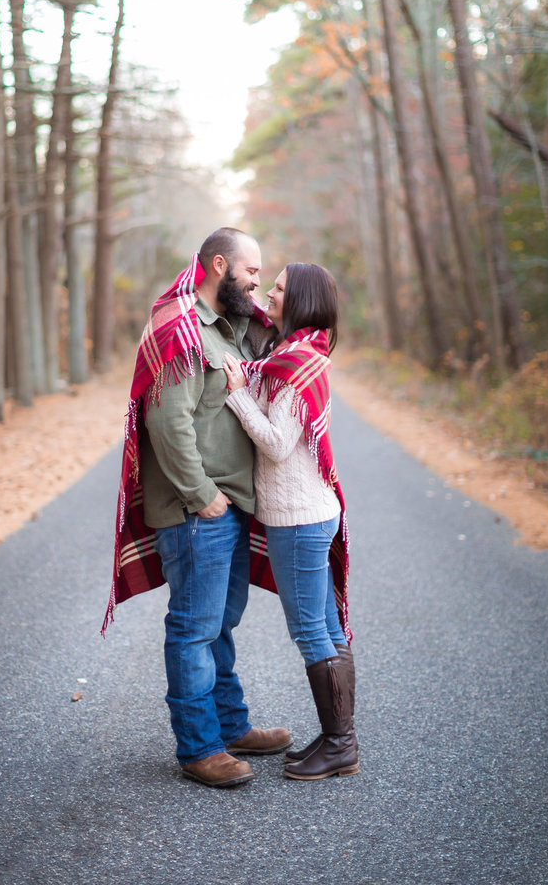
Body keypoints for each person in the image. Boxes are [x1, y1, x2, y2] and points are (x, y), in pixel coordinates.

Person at [102, 228, 291, 788]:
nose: (257, 282)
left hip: (230, 504)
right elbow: (167, 423)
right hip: (197, 510)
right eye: (251, 271)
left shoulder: (230, 330)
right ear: (218, 265)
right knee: (194, 627)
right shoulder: (182, 331)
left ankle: (231, 726)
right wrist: (201, 495)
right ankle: (198, 748)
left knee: (221, 623)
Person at [222, 262, 359, 781]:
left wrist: (237, 393)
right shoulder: (299, 350)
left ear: (299, 298)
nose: (270, 293)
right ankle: (336, 740)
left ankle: (340, 745)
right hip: (310, 512)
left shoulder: (295, 362)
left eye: (279, 287)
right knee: (325, 628)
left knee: (311, 632)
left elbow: (278, 445)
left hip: (298, 518)